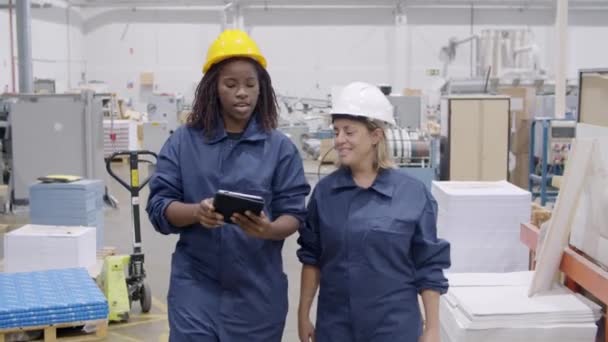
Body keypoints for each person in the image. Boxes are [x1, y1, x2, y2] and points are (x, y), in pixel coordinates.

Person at [146, 29, 311, 342]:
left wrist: (269, 229)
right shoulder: (183, 142)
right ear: (213, 89)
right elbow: (159, 207)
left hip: (257, 295)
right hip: (195, 288)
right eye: (231, 84)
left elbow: (294, 213)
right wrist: (197, 212)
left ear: (262, 89)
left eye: (250, 84)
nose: (242, 93)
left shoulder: (279, 149)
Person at [296, 82, 450, 342]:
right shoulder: (325, 193)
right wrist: (303, 314)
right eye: (336, 131)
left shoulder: (412, 194)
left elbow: (428, 266)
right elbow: (312, 258)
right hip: (336, 328)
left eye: (349, 132)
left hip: (394, 328)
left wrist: (432, 328)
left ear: (376, 135)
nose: (339, 140)